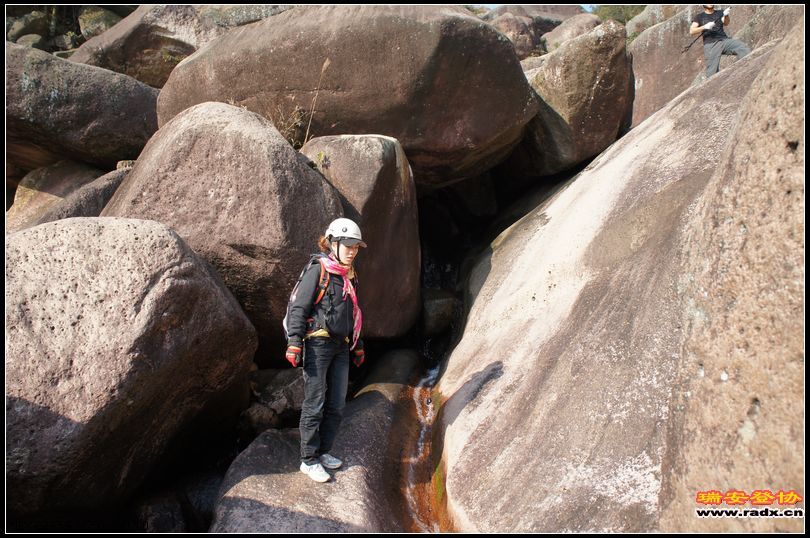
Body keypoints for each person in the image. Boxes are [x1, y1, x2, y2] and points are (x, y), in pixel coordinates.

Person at [285, 217, 367, 483]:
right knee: (315, 402)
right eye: (348, 245)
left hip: (341, 346)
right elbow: (299, 307)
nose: (353, 251)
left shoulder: (350, 276)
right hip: (318, 344)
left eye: (356, 246)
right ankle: (308, 460)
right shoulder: (318, 269)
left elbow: (354, 314)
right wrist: (294, 341)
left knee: (337, 404)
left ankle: (323, 452)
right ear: (333, 243)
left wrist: (358, 346)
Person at [690, 5, 751, 78]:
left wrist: (726, 15)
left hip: (724, 40)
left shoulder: (720, 12)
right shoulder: (699, 17)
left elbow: (726, 23)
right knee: (712, 72)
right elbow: (692, 31)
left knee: (742, 47)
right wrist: (704, 27)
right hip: (711, 44)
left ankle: (747, 69)